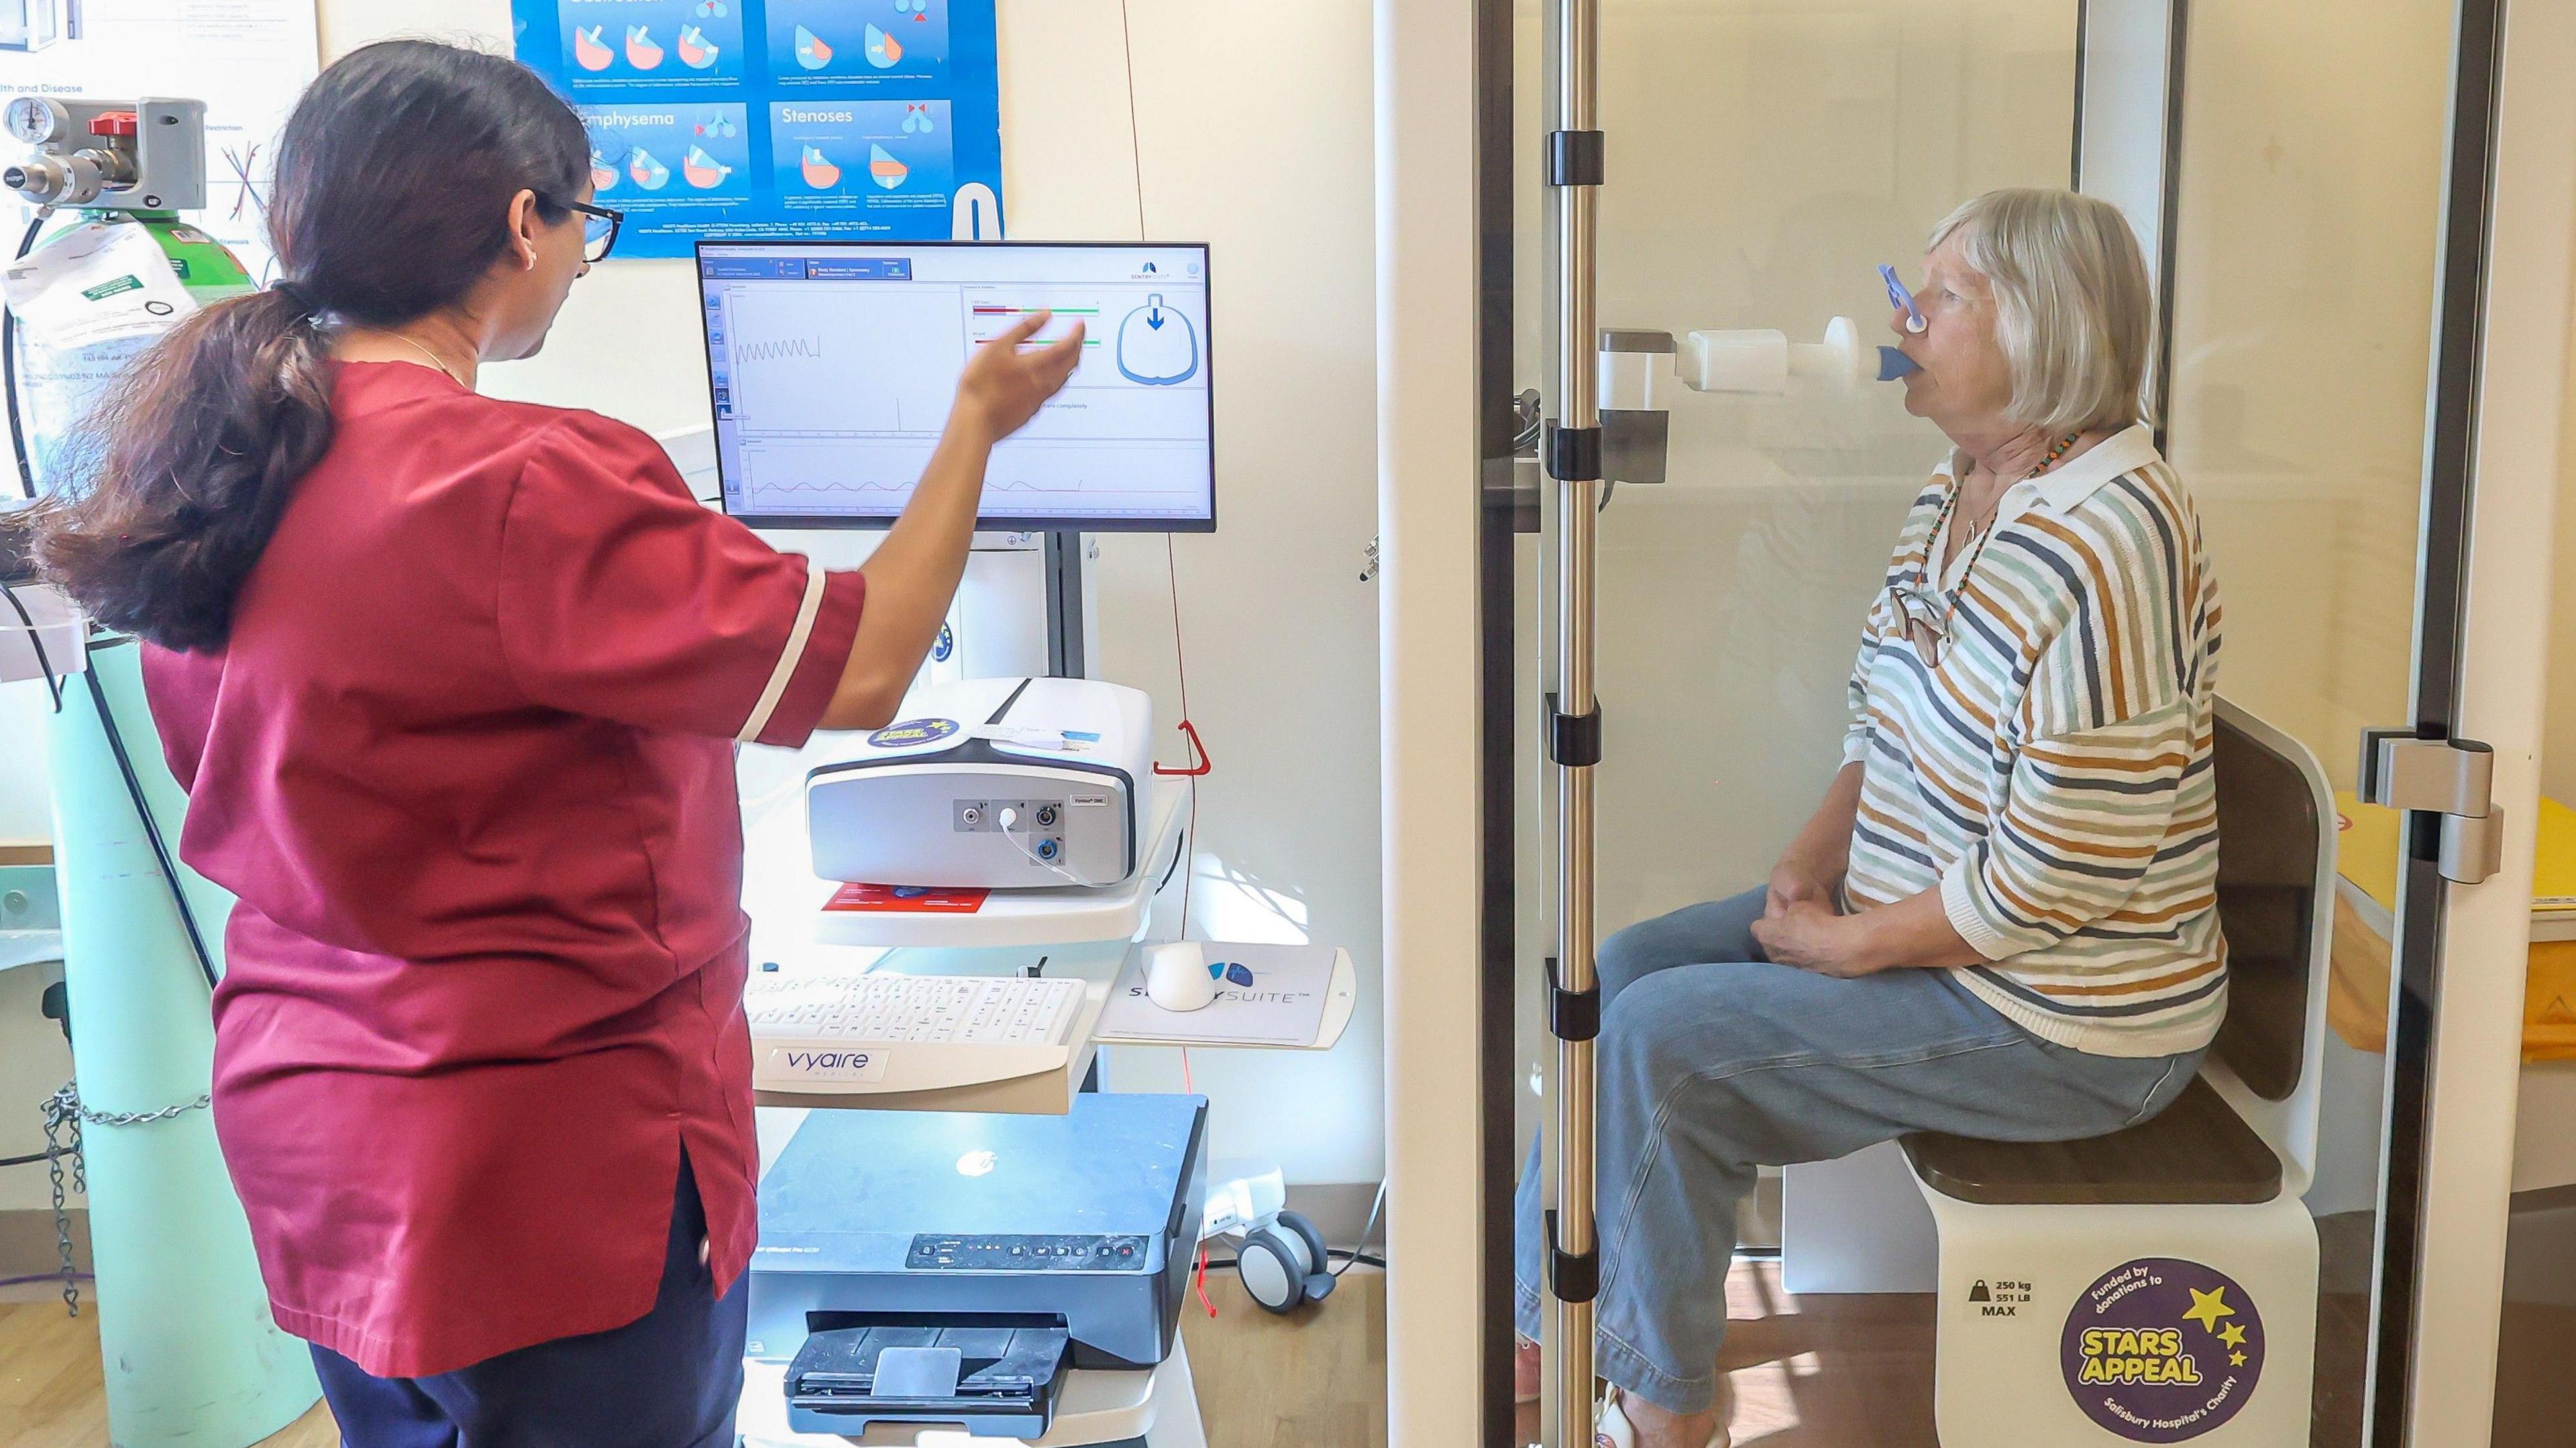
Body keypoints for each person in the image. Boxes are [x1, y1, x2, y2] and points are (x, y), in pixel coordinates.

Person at [29, 40, 1083, 1447]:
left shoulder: (207, 469)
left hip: (318, 1142)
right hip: (548, 1173)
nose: (587, 257)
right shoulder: (526, 480)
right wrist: (976, 424)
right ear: (524, 223)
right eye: (589, 220)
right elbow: (872, 663)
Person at [1514, 188, 2225, 1448]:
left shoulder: (2114, 543)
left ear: (2044, 329)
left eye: (1942, 296)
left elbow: (2057, 878)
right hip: (1936, 926)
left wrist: (1845, 946)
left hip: (2063, 1014)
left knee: (1667, 1044)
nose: (1904, 317)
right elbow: (1877, 723)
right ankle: (1544, 1319)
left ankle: (1670, 1407)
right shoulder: (1956, 494)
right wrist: (1801, 871)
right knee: (1621, 970)